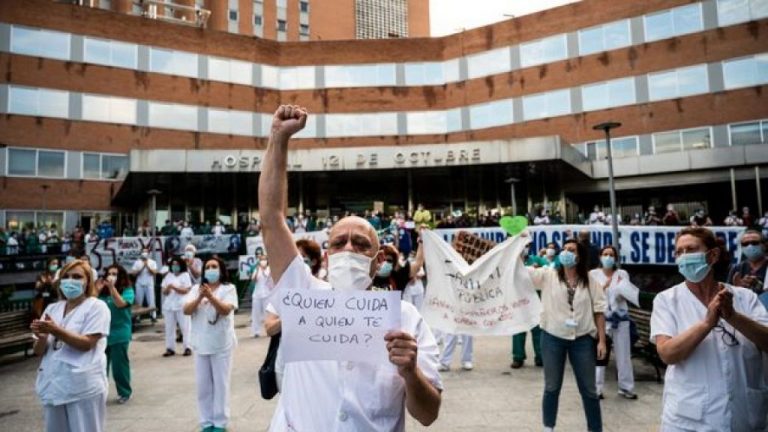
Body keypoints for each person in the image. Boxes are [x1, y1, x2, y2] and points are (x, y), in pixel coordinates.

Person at [260, 105, 442, 431]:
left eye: (360, 245)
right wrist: (279, 139)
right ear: (326, 257)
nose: (348, 249)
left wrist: (410, 371)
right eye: (338, 243)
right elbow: (271, 218)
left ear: (379, 260)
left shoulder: (407, 319)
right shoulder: (303, 294)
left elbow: (428, 414)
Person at [650, 227, 768, 431]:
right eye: (679, 252)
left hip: (744, 416)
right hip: (689, 420)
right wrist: (706, 324)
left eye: (691, 249)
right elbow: (667, 353)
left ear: (712, 255)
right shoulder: (667, 300)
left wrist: (733, 317)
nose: (684, 257)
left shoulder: (745, 298)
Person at [527, 238, 606, 432]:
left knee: (589, 390)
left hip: (583, 340)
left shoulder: (591, 282)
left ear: (580, 256)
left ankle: (595, 429)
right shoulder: (548, 275)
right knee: (552, 387)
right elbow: (522, 274)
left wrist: (601, 341)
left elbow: (599, 311)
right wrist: (515, 247)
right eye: (565, 249)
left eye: (571, 250)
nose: (566, 252)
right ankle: (548, 427)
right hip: (553, 337)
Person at [31, 259, 111, 432]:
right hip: (53, 384)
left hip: (83, 385)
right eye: (66, 277)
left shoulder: (97, 307)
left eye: (77, 277)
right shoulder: (52, 309)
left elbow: (87, 344)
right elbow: (37, 351)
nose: (70, 281)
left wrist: (55, 329)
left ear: (87, 281)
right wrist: (43, 336)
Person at [183, 257, 238, 432]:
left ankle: (220, 423)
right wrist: (201, 296)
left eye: (214, 266)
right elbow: (186, 310)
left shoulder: (228, 288)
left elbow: (225, 310)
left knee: (221, 385)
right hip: (201, 344)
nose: (210, 269)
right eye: (208, 267)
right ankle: (206, 422)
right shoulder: (195, 289)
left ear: (221, 270)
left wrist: (211, 297)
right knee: (203, 386)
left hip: (221, 343)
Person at [590, 246, 639, 400]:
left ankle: (626, 387)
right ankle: (596, 388)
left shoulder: (622, 274)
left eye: (611, 255)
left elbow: (628, 292)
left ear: (616, 258)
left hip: (621, 318)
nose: (608, 257)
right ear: (600, 256)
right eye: (605, 254)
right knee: (600, 353)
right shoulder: (593, 274)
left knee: (623, 354)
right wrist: (604, 287)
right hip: (601, 318)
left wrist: (624, 294)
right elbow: (589, 294)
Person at [98, 264, 135, 404]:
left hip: (120, 332)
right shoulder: (101, 292)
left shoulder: (127, 290)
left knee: (119, 366)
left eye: (115, 274)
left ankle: (124, 392)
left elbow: (121, 304)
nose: (111, 276)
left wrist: (112, 289)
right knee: (101, 366)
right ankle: (101, 392)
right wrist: (97, 290)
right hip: (102, 333)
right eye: (109, 273)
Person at [511, 249, 547, 369]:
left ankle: (541, 357)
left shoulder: (536, 259)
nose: (522, 249)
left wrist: (536, 268)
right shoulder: (511, 262)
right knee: (518, 330)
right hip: (518, 301)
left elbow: (548, 267)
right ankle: (518, 357)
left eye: (525, 246)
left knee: (538, 330)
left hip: (535, 300)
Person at [161, 257, 192, 356]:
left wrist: (174, 287)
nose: (175, 266)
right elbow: (164, 291)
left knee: (185, 327)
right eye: (173, 264)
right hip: (169, 305)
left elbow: (186, 290)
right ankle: (170, 348)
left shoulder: (185, 275)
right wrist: (168, 289)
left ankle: (188, 347)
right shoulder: (168, 276)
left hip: (181, 304)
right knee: (169, 327)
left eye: (177, 264)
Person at [727, 229, 768, 295]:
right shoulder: (737, 269)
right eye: (745, 244)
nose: (750, 246)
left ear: (765, 245)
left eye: (754, 243)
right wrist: (737, 289)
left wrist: (758, 286)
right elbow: (728, 294)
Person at [130, 248, 158, 322]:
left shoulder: (152, 262)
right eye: (143, 252)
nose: (144, 253)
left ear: (148, 253)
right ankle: (137, 317)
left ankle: (153, 316)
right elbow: (134, 274)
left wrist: (147, 266)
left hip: (149, 284)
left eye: (146, 252)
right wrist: (142, 267)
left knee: (151, 300)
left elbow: (154, 272)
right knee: (139, 301)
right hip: (139, 284)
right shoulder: (137, 262)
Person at [250, 255, 271, 337]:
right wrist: (258, 269)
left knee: (267, 314)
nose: (263, 261)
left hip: (267, 294)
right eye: (261, 260)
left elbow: (267, 277)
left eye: (264, 259)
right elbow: (254, 280)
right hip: (257, 295)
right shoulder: (256, 269)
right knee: (256, 314)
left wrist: (263, 269)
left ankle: (269, 330)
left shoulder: (269, 269)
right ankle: (256, 332)